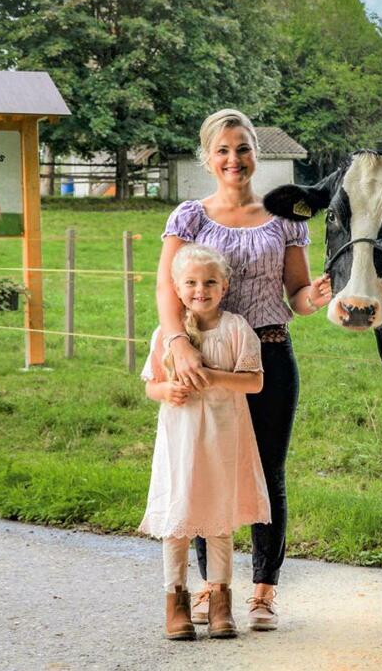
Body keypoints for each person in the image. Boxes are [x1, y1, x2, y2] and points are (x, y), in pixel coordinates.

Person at [156, 108, 332, 631]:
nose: (235, 159)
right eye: (224, 150)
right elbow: (168, 288)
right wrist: (178, 344)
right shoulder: (189, 217)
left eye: (244, 148)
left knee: (267, 472)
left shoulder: (284, 218)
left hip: (269, 356)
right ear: (208, 157)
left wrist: (315, 295)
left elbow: (297, 296)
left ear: (258, 154)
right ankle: (212, 590)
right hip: (206, 359)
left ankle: (262, 591)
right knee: (209, 473)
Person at [140, 242, 270, 640]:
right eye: (191, 283)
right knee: (177, 521)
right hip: (180, 442)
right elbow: (150, 386)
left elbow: (255, 381)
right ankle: (175, 600)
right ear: (177, 289)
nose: (201, 290)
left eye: (210, 282)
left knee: (218, 521)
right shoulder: (167, 334)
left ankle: (219, 602)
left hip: (221, 440)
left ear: (225, 285)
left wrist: (213, 377)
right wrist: (166, 392)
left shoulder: (235, 329)